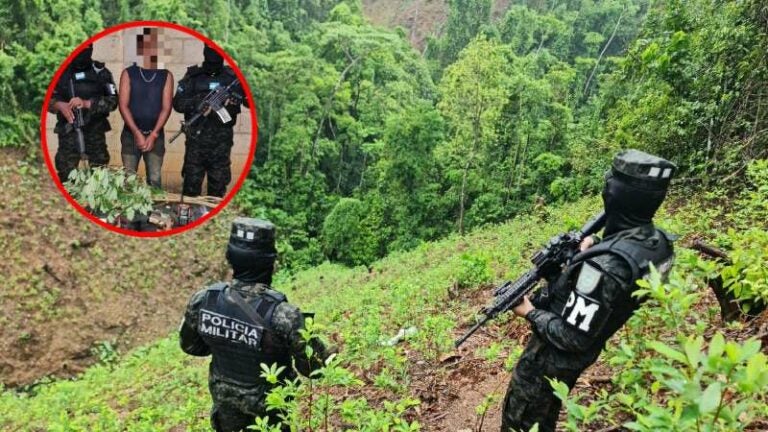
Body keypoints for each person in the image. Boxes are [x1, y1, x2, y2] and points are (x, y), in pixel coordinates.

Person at [501, 149, 678, 432]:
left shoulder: (603, 268)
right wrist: (594, 245)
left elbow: (573, 337)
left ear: (616, 196)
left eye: (610, 186)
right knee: (545, 409)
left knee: (523, 418)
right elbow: (623, 272)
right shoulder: (656, 243)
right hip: (592, 340)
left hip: (555, 357)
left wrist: (530, 312)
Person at [179, 217, 330, 432]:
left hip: (225, 408)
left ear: (230, 257)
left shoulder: (204, 300)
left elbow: (190, 346)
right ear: (269, 262)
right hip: (271, 413)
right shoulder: (284, 315)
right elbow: (314, 369)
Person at [172, 45, 248, 197]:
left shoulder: (232, 78)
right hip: (196, 142)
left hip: (221, 143)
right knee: (190, 191)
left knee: (217, 191)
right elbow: (177, 104)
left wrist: (234, 99)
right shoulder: (193, 77)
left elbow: (248, 102)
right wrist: (198, 101)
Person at [49, 43, 117, 182]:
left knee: (99, 174)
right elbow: (47, 98)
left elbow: (114, 100)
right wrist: (58, 105)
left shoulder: (101, 72)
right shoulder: (61, 71)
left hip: (95, 130)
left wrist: (87, 103)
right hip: (68, 130)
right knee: (66, 174)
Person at [118, 27, 174, 188]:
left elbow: (166, 107)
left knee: (155, 180)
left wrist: (154, 134)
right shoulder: (129, 73)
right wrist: (136, 132)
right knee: (128, 180)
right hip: (130, 135)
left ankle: (153, 212)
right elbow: (123, 105)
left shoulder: (166, 75)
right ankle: (129, 212)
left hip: (155, 136)